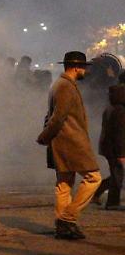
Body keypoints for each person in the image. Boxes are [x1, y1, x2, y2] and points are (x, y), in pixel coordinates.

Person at [36, 51, 102, 240]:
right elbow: (58, 117)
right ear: (76, 67)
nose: (86, 71)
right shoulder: (65, 86)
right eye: (84, 68)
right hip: (71, 141)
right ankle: (67, 218)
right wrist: (44, 136)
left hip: (63, 141)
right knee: (93, 178)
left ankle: (63, 228)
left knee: (64, 183)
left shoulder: (60, 84)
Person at [92, 75, 124, 209]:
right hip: (116, 148)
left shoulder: (113, 104)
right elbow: (120, 134)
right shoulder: (120, 109)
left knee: (116, 175)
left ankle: (98, 193)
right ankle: (111, 203)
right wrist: (121, 154)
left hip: (110, 147)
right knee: (117, 175)